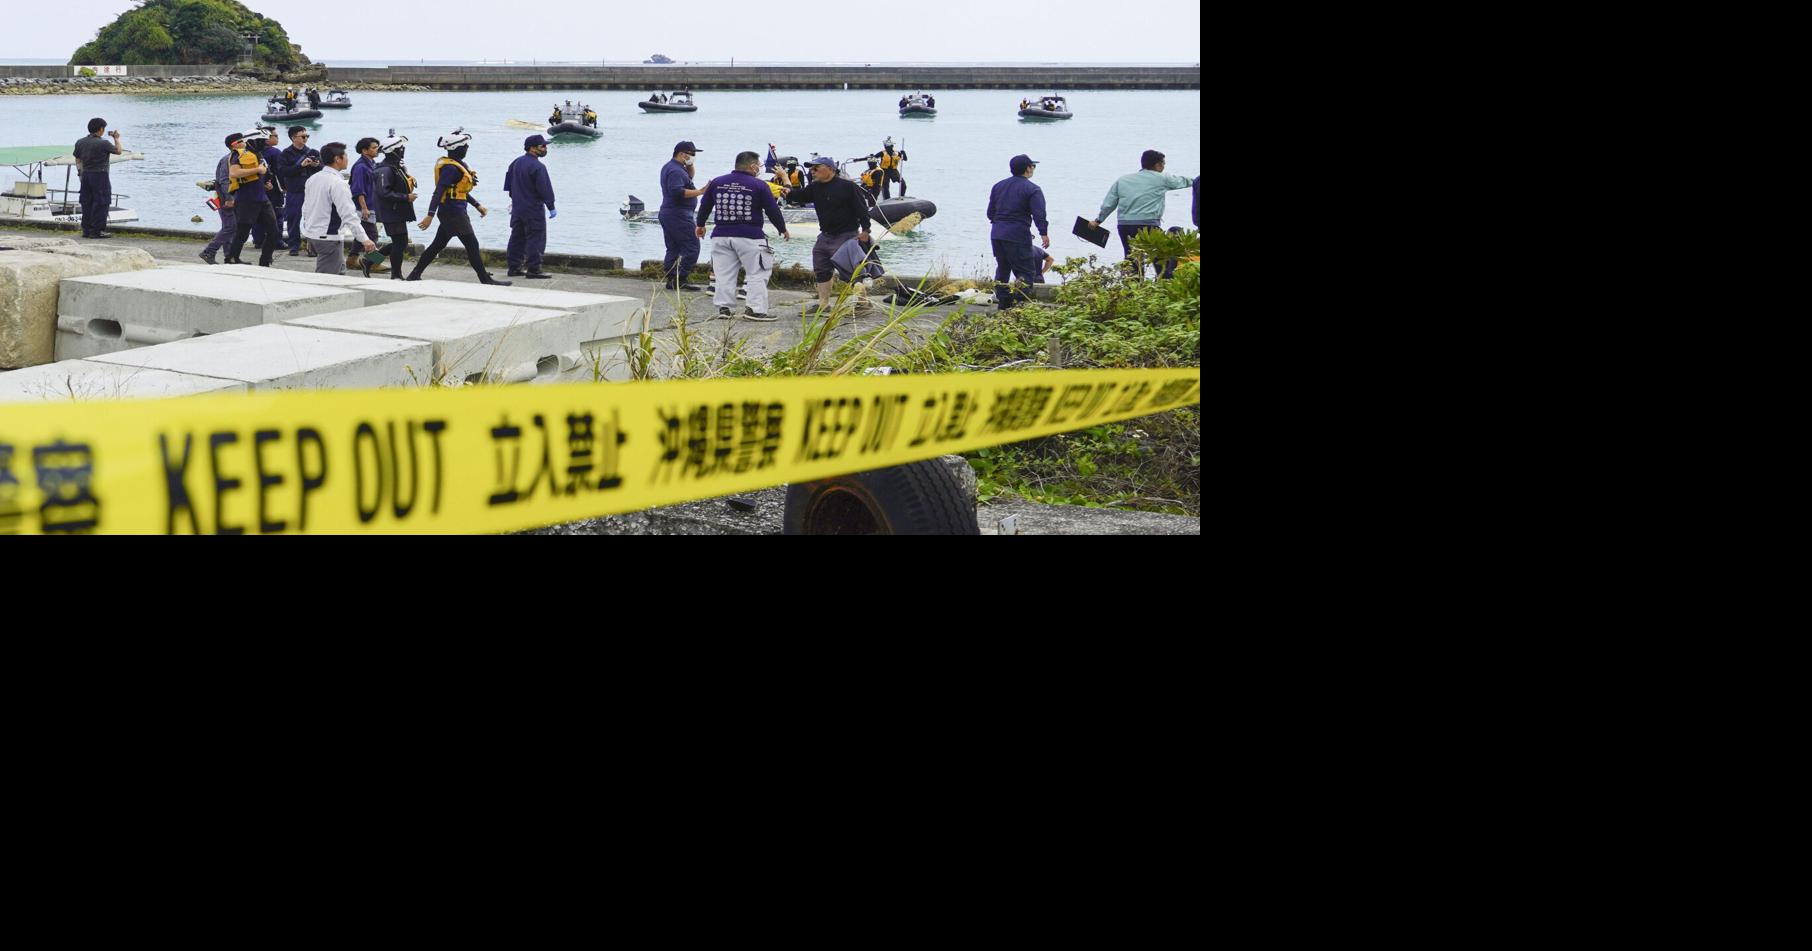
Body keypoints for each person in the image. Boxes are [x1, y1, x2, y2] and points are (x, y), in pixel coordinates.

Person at [406, 128, 510, 284]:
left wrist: (477, 205)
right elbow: (439, 191)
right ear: (455, 148)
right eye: (464, 146)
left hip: (452, 211)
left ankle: (414, 274)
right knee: (472, 244)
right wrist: (430, 215)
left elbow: (458, 191)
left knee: (437, 245)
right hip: (453, 213)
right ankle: (485, 279)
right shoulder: (450, 168)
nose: (467, 148)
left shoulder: (457, 165)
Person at [696, 149, 790, 321]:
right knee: (758, 272)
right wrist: (782, 228)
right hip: (750, 236)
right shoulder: (759, 185)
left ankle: (724, 308)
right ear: (753, 166)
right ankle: (755, 309)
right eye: (759, 165)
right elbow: (772, 209)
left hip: (721, 235)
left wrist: (700, 225)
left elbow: (705, 205)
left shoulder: (717, 182)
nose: (760, 168)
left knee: (724, 273)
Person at [778, 155, 872, 315]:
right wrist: (787, 190)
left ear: (830, 169)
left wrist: (866, 230)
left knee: (852, 270)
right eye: (811, 169)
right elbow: (799, 196)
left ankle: (863, 303)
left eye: (816, 168)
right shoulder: (815, 187)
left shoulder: (848, 186)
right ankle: (823, 304)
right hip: (825, 235)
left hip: (846, 234)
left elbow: (862, 209)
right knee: (821, 268)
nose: (812, 171)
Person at [1089, 149, 1195, 278]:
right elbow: (1187, 181)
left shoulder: (1122, 180)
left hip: (1125, 226)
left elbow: (1109, 204)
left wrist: (1098, 221)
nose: (1163, 167)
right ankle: (1163, 284)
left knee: (1132, 260)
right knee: (1160, 259)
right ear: (1158, 165)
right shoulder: (1162, 178)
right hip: (1148, 226)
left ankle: (1134, 287)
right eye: (1163, 164)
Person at [300, 141, 377, 275]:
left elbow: (306, 208)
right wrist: (365, 239)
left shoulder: (313, 178)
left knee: (340, 274)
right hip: (329, 237)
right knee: (327, 279)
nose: (347, 159)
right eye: (345, 156)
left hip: (314, 234)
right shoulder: (338, 183)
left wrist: (308, 231)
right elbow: (348, 214)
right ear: (337, 159)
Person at [985, 154, 1048, 309]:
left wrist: (1000, 224)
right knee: (1025, 272)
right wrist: (1043, 233)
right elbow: (1039, 214)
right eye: (1033, 166)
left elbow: (990, 213)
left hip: (997, 233)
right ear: (1028, 168)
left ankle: (1003, 304)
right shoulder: (1033, 189)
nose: (1033, 169)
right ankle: (1017, 304)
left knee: (1003, 268)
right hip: (1018, 234)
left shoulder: (998, 186)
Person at [658, 140, 709, 291]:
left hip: (670, 213)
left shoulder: (674, 167)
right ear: (682, 154)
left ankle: (672, 279)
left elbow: (688, 178)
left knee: (673, 248)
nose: (693, 157)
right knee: (692, 247)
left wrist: (690, 164)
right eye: (691, 154)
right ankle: (681, 278)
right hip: (678, 215)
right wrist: (701, 191)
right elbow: (677, 192)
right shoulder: (676, 171)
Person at [504, 134, 556, 280]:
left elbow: (508, 185)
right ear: (532, 148)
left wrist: (516, 198)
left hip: (517, 207)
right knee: (536, 238)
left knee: (517, 237)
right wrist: (551, 206)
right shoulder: (538, 166)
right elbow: (544, 188)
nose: (545, 149)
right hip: (533, 208)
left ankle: (514, 267)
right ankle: (534, 269)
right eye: (542, 146)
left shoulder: (516, 163)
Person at [224, 128, 278, 266]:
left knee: (273, 231)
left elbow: (261, 174)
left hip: (262, 198)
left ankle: (265, 260)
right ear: (253, 141)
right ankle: (232, 258)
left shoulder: (258, 154)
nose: (265, 143)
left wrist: (266, 183)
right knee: (242, 232)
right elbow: (234, 173)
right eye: (262, 141)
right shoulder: (239, 154)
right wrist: (257, 170)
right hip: (246, 199)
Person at [373, 132, 416, 279]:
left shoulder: (395, 167)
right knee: (400, 243)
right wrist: (406, 197)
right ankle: (396, 274)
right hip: (390, 212)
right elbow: (383, 192)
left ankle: (369, 260)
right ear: (393, 150)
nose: (403, 150)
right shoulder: (385, 170)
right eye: (400, 148)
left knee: (400, 242)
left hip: (396, 211)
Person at [72, 117, 121, 239]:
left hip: (85, 175)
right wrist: (116, 138)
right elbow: (118, 151)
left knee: (87, 202)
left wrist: (80, 173)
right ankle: (97, 231)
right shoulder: (103, 143)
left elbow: (77, 159)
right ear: (101, 129)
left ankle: (86, 230)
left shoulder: (80, 142)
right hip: (100, 175)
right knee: (101, 202)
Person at [199, 131, 243, 265]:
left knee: (231, 227)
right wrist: (229, 198)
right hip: (226, 199)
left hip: (233, 197)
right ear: (234, 145)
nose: (245, 143)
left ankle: (229, 256)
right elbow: (224, 181)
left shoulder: (236, 158)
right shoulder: (227, 160)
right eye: (241, 141)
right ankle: (209, 251)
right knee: (230, 227)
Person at [276, 126, 321, 257]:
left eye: (307, 136)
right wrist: (300, 166)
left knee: (312, 219)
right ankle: (294, 246)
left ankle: (312, 247)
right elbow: (283, 171)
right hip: (295, 190)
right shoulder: (285, 154)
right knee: (293, 218)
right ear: (293, 138)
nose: (306, 138)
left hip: (311, 189)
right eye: (303, 136)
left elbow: (323, 168)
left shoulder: (313, 152)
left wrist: (316, 165)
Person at [348, 136, 385, 272]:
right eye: (374, 148)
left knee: (362, 234)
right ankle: (373, 263)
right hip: (364, 207)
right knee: (372, 235)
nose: (377, 150)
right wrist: (364, 207)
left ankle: (352, 260)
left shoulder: (372, 164)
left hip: (371, 205)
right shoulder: (360, 167)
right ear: (364, 150)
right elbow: (358, 190)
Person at [250, 126, 285, 250]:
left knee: (257, 216)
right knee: (276, 216)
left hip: (255, 189)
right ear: (266, 138)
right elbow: (280, 172)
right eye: (275, 135)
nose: (277, 138)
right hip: (273, 190)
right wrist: (284, 186)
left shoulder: (251, 152)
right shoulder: (275, 152)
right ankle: (277, 241)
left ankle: (258, 240)